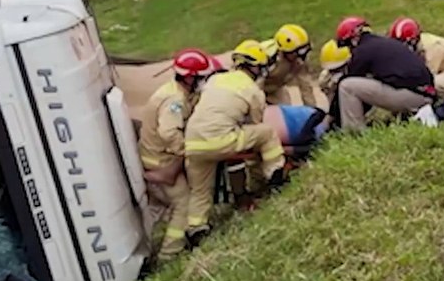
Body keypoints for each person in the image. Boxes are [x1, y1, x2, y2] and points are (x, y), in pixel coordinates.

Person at [183, 40, 286, 243]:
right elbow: (256, 122)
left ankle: (196, 227)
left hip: (193, 142)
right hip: (221, 140)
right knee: (266, 133)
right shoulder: (253, 90)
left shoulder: (215, 80)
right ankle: (275, 174)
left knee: (200, 190)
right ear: (256, 66)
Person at [138, 48, 220, 260]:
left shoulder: (178, 92)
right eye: (201, 78)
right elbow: (169, 132)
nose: (204, 82)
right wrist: (189, 150)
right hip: (160, 160)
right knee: (184, 204)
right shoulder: (174, 100)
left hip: (157, 156)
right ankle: (169, 255)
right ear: (190, 77)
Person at [334, 16, 437, 131]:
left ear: (354, 39)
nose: (349, 49)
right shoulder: (383, 44)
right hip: (426, 95)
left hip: (414, 97)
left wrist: (332, 119)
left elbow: (350, 85)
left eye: (347, 44)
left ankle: (353, 133)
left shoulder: (362, 51)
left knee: (346, 86)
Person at [388, 17, 444, 95]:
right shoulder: (419, 44)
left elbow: (426, 77)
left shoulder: (433, 48)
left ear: (413, 41)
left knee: (428, 84)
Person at [264, 24, 326, 109]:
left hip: (275, 88)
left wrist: (312, 111)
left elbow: (306, 87)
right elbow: (254, 84)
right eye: (297, 52)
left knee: (285, 110)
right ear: (285, 51)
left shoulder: (299, 61)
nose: (300, 57)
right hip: (253, 88)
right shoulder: (267, 58)